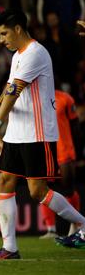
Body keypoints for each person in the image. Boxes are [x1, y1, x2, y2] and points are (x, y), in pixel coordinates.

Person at [0, 10, 85, 260]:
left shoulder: (35, 53)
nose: (2, 40)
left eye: (4, 33)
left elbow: (16, 89)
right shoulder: (18, 55)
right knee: (4, 181)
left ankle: (82, 224)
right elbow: (11, 89)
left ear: (18, 29)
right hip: (17, 132)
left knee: (37, 191)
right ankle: (10, 248)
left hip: (36, 132)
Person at [39, 89, 82, 239]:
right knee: (42, 188)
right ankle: (51, 230)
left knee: (69, 189)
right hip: (43, 150)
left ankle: (76, 225)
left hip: (64, 149)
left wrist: (78, 152)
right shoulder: (36, 98)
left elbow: (75, 126)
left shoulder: (65, 98)